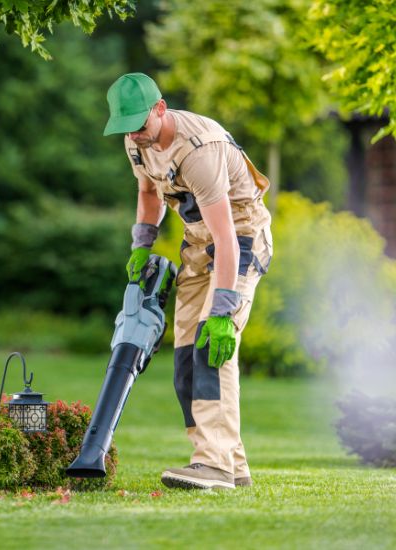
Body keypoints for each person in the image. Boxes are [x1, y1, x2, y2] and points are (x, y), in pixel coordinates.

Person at [103, 73, 273, 490]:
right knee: (184, 360)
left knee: (211, 346)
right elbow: (147, 193)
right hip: (197, 242)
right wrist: (142, 244)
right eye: (126, 128)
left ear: (160, 108)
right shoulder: (136, 140)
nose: (135, 136)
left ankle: (213, 464)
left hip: (239, 237)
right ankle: (232, 465)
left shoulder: (200, 149)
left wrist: (222, 310)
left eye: (141, 125)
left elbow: (227, 237)